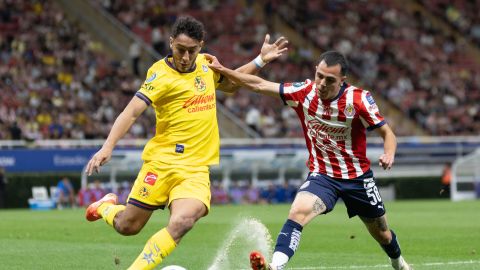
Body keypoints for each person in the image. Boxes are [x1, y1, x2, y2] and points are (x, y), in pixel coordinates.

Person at [84, 16, 288, 270]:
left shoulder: (206, 65)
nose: (185, 57)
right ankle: (105, 207)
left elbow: (233, 83)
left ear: (200, 46)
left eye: (192, 51)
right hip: (161, 163)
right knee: (128, 226)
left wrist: (260, 60)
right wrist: (108, 146)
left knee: (182, 222)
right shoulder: (159, 74)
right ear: (171, 43)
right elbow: (132, 111)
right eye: (180, 50)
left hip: (195, 169)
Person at [206, 51, 412, 270]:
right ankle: (275, 267)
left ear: (343, 80)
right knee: (297, 212)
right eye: (319, 76)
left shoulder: (359, 100)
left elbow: (388, 134)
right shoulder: (304, 92)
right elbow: (258, 84)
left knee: (383, 234)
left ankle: (398, 262)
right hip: (323, 176)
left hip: (357, 178)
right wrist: (223, 70)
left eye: (330, 80)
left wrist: (389, 153)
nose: (322, 83)